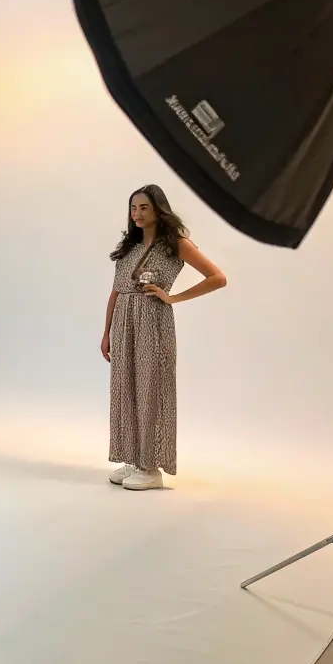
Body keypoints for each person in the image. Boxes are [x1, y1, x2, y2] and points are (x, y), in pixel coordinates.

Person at [100, 184, 226, 491]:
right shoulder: (129, 247)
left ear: (158, 209)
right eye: (133, 208)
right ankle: (132, 458)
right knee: (126, 389)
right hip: (124, 323)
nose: (138, 214)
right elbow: (116, 291)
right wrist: (106, 333)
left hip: (152, 324)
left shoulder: (176, 244)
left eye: (144, 207)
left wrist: (172, 298)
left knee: (151, 390)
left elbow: (217, 278)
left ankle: (151, 466)